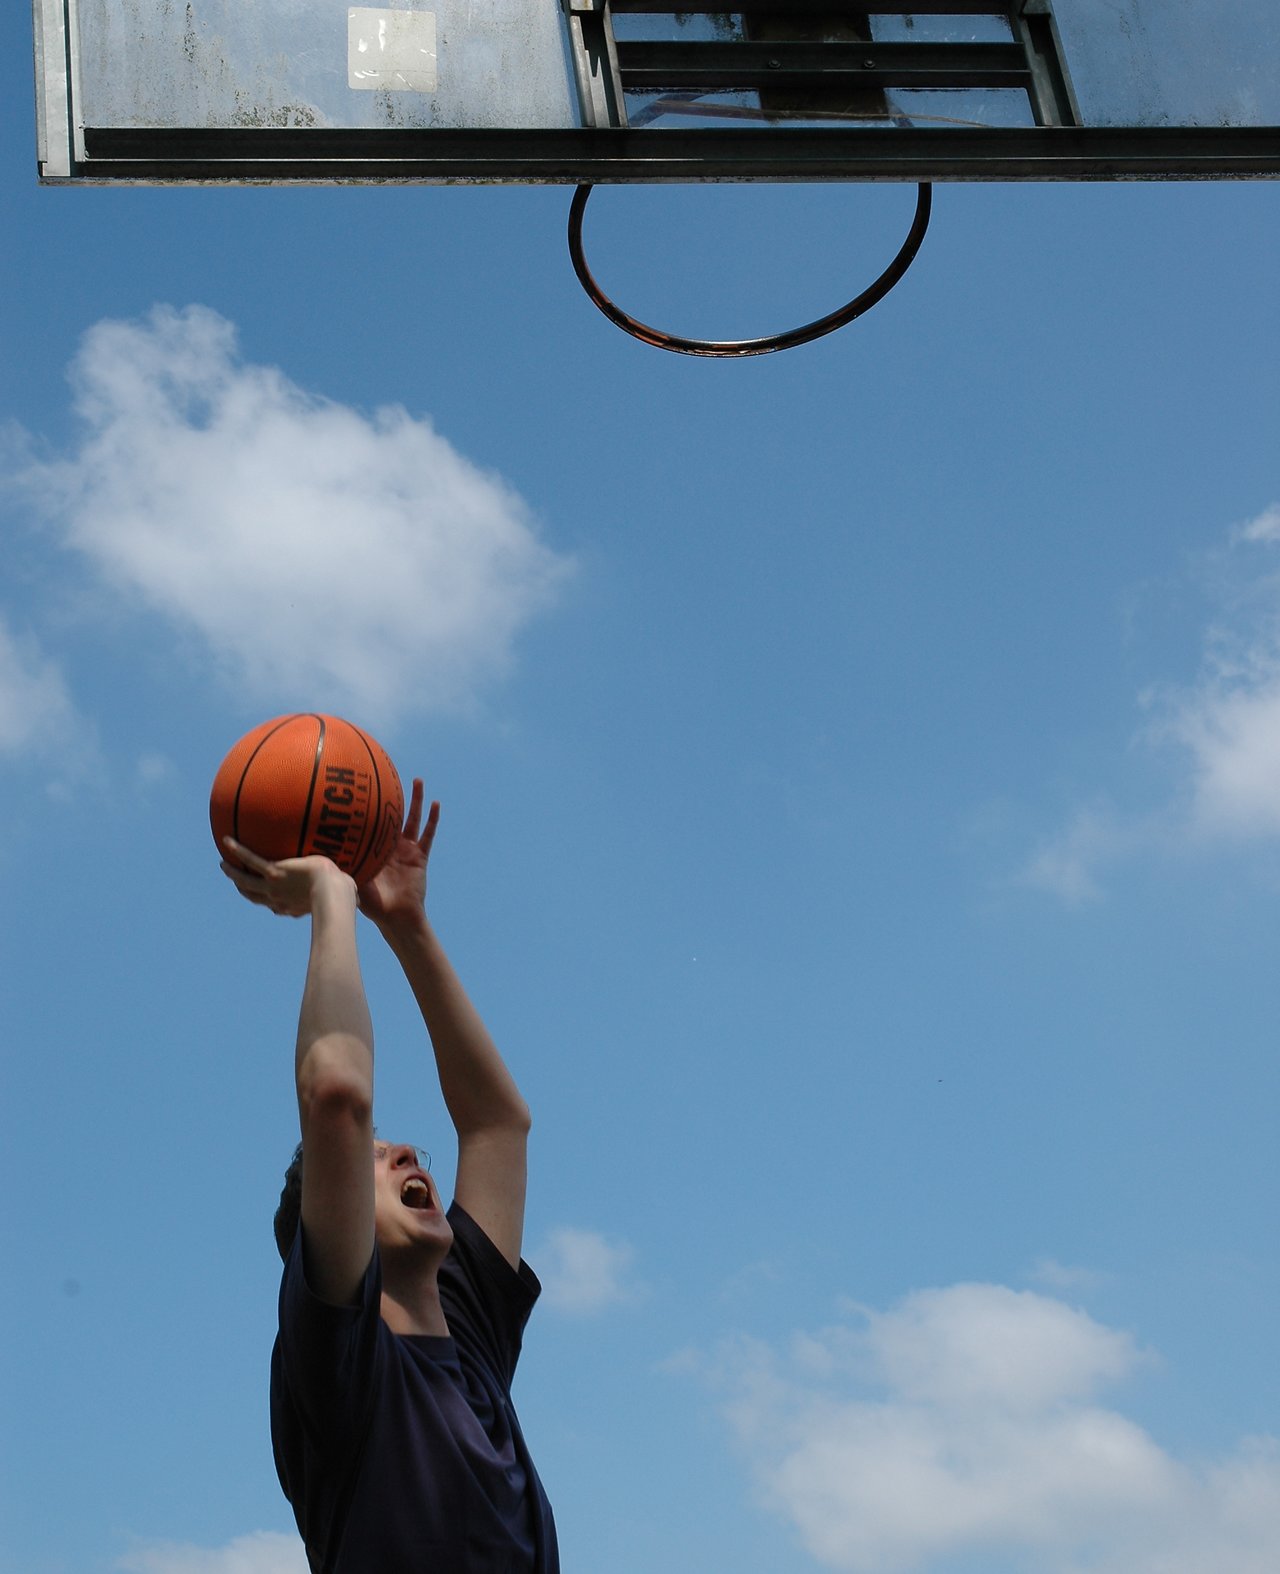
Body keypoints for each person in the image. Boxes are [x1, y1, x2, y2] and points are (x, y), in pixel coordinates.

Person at [221, 780, 558, 1574]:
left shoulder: (468, 1329)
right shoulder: (338, 1361)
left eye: (406, 1152)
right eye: (379, 1158)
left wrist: (407, 925)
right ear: (335, 1223)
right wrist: (332, 900)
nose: (407, 1155)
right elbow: (338, 1098)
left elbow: (497, 1124)